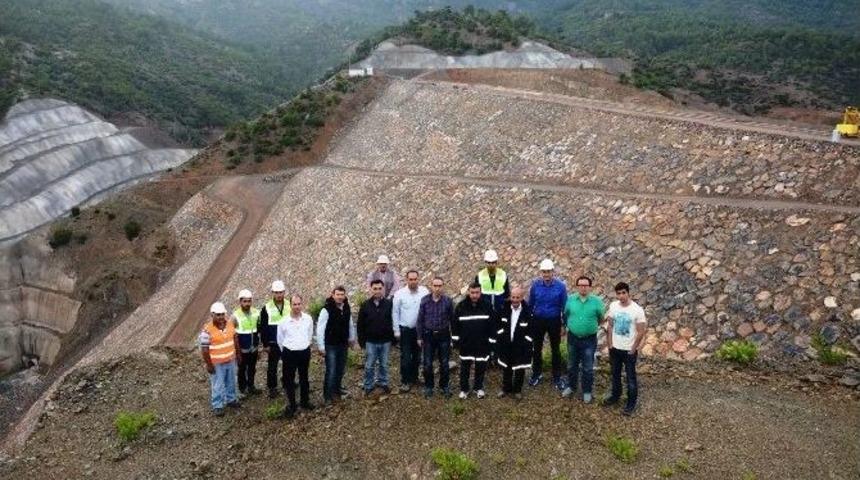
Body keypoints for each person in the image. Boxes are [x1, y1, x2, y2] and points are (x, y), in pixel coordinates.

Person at [603, 282, 647, 416]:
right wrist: (610, 344)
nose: (621, 296)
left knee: (630, 377)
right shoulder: (613, 306)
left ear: (628, 293)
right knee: (615, 374)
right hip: (615, 348)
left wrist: (634, 349)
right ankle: (615, 396)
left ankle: (631, 403)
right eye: (618, 293)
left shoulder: (637, 310)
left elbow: (641, 331)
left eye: (623, 293)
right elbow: (610, 325)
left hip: (629, 350)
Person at [562, 276, 604, 403]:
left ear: (590, 287)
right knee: (572, 365)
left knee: (588, 367)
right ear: (577, 286)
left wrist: (589, 327)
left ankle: (587, 391)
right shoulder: (570, 299)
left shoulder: (597, 301)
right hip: (573, 338)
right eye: (580, 285)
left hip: (589, 340)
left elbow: (601, 318)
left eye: (586, 285)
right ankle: (571, 386)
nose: (583, 287)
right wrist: (569, 326)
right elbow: (566, 315)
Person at [527, 259, 568, 389]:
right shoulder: (535, 286)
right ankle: (536, 374)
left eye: (548, 272)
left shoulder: (561, 287)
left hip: (554, 320)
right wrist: (528, 321)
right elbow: (531, 304)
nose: (546, 274)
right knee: (536, 348)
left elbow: (564, 307)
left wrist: (564, 325)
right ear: (541, 272)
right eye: (544, 272)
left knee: (555, 349)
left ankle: (557, 377)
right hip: (537, 320)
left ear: (553, 271)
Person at [452, 282, 495, 399]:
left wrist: (491, 342)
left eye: (477, 292)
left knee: (481, 367)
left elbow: (492, 325)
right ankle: (464, 389)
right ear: (468, 292)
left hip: (482, 344)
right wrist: (456, 341)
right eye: (472, 292)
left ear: (480, 292)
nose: (475, 295)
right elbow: (455, 325)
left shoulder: (487, 306)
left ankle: (478, 388)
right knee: (465, 368)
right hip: (466, 343)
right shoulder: (461, 306)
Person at [198, 302, 241, 416]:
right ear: (212, 315)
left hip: (230, 360)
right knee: (218, 384)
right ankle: (217, 405)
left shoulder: (230, 325)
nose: (221, 317)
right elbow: (205, 350)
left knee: (231, 381)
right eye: (218, 315)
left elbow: (235, 340)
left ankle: (231, 399)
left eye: (222, 314)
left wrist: (238, 355)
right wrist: (209, 365)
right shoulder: (207, 330)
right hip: (217, 363)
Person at [316, 286, 356, 406]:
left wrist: (352, 338)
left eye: (342, 294)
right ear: (333, 295)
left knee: (340, 369)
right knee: (331, 370)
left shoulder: (346, 307)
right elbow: (320, 329)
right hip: (331, 345)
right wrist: (321, 346)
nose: (340, 297)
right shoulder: (326, 309)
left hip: (343, 344)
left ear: (344, 295)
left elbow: (350, 323)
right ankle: (328, 396)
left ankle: (337, 390)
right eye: (337, 294)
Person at [277, 294, 315, 418]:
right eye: (294, 304)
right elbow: (280, 339)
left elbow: (310, 334)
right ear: (290, 305)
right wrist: (286, 350)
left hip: (304, 352)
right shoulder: (283, 322)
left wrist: (305, 344)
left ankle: (305, 401)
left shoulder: (308, 319)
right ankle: (292, 405)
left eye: (299, 304)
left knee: (304, 377)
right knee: (289, 380)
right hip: (289, 353)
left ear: (302, 304)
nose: (297, 306)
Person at [416, 276, 455, 399]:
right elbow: (420, 320)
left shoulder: (448, 301)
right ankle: (429, 386)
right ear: (431, 286)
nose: (437, 288)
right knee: (427, 363)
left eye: (439, 286)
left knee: (444, 363)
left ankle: (444, 386)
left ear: (443, 286)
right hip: (428, 336)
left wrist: (453, 337)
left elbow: (452, 320)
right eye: (435, 286)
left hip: (444, 335)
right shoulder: (424, 301)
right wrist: (419, 337)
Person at [392, 269, 429, 392]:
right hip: (405, 330)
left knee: (417, 356)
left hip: (419, 331)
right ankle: (405, 381)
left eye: (415, 279)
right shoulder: (399, 294)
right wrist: (396, 330)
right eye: (411, 279)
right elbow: (395, 312)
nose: (413, 281)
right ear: (406, 280)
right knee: (406, 357)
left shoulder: (424, 292)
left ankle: (414, 378)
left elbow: (427, 310)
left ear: (418, 279)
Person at [357, 279, 395, 395]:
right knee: (369, 365)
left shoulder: (389, 304)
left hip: (385, 341)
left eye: (379, 288)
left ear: (383, 289)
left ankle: (383, 382)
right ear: (371, 289)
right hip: (370, 341)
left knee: (384, 364)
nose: (377, 291)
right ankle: (368, 384)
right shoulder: (365, 305)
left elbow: (393, 321)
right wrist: (361, 341)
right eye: (375, 289)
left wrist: (393, 338)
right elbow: (360, 324)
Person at [496, 287, 533, 399]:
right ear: (510, 297)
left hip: (520, 345)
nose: (515, 300)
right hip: (506, 343)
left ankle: (517, 390)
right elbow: (498, 324)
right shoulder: (504, 309)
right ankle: (506, 388)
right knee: (506, 367)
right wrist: (501, 337)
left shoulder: (528, 312)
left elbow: (531, 329)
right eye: (513, 297)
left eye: (518, 297)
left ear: (522, 298)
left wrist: (526, 341)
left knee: (519, 368)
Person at [259, 280, 288, 398]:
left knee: (288, 364)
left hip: (287, 341)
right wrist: (265, 344)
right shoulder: (266, 308)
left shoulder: (289, 304)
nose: (279, 295)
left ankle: (287, 382)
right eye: (276, 292)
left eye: (281, 292)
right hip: (273, 342)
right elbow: (263, 327)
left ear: (284, 292)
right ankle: (272, 387)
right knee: (272, 366)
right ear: (272, 293)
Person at [232, 289, 261, 396]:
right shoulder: (235, 316)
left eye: (249, 301)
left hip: (253, 348)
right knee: (242, 369)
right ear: (240, 302)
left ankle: (251, 386)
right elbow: (232, 335)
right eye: (244, 301)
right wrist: (237, 352)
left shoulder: (256, 312)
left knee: (252, 368)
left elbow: (259, 330)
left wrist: (259, 347)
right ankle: (242, 389)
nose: (247, 303)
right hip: (242, 350)